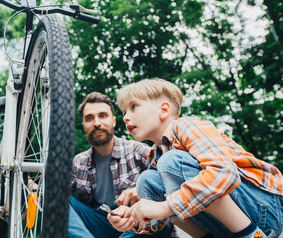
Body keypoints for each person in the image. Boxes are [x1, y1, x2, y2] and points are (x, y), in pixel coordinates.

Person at [108, 78, 283, 238]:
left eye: (133, 107)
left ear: (163, 110)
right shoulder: (155, 154)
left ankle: (251, 234)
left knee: (172, 162)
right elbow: (160, 219)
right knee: (147, 180)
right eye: (123, 111)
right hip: (223, 223)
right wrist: (133, 217)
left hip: (265, 209)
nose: (125, 117)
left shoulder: (185, 126)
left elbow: (224, 173)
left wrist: (164, 207)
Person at [69, 92, 177, 238]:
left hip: (137, 224)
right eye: (89, 118)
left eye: (102, 115)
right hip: (100, 224)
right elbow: (55, 194)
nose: (96, 123)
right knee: (57, 198)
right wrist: (33, 185)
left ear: (113, 121)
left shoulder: (137, 150)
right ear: (83, 125)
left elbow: (173, 177)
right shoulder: (79, 162)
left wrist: (139, 191)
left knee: (154, 209)